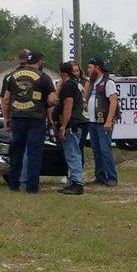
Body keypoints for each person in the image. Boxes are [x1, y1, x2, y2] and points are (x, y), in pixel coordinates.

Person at [0, 51, 56, 193]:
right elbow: (52, 99)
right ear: (39, 62)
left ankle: (14, 185)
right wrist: (47, 105)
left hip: (17, 118)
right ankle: (31, 187)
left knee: (16, 152)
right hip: (36, 119)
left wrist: (6, 118)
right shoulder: (44, 77)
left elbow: (5, 100)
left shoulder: (12, 76)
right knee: (34, 153)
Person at [54, 62, 88, 195]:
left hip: (73, 123)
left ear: (62, 73)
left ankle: (76, 183)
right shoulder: (78, 84)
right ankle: (74, 181)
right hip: (82, 122)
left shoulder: (68, 85)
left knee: (72, 153)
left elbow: (68, 107)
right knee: (76, 153)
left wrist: (63, 126)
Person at [87, 57, 118, 186]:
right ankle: (100, 176)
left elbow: (113, 102)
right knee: (96, 150)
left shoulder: (108, 82)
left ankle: (111, 177)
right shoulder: (92, 83)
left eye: (90, 67)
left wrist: (109, 121)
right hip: (93, 121)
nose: (88, 70)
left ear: (97, 67)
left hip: (103, 121)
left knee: (105, 150)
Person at [72, 62, 90, 167]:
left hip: (82, 116)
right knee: (72, 145)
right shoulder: (66, 82)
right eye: (73, 71)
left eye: (77, 70)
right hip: (72, 117)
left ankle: (80, 167)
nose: (76, 73)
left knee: (80, 145)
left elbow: (84, 97)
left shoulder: (85, 82)